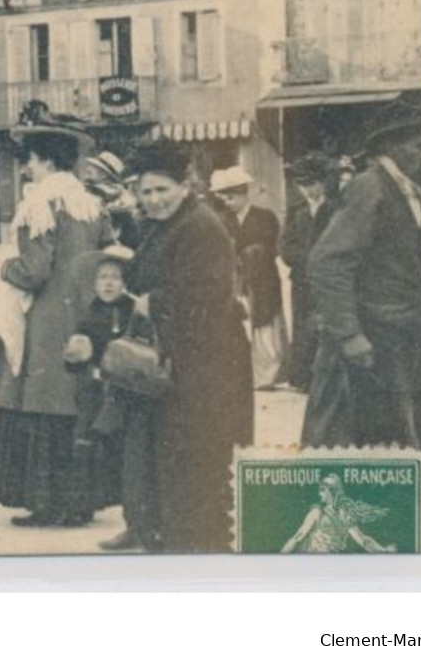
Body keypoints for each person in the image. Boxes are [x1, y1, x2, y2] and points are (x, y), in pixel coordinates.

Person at [113, 141, 253, 554]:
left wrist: (152, 302)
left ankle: (194, 553)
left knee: (196, 463)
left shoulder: (201, 226)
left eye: (162, 190)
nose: (153, 199)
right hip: (180, 361)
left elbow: (209, 297)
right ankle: (172, 541)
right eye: (146, 191)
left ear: (184, 186)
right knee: (172, 462)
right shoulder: (168, 223)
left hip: (206, 366)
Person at [0, 110, 111, 529]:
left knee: (41, 406)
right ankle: (82, 500)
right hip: (86, 316)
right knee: (79, 404)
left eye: (31, 160)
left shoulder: (39, 203)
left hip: (47, 322)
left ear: (48, 161)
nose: (27, 168)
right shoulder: (91, 205)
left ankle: (48, 502)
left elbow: (35, 271)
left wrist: (5, 269)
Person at [301, 94, 421, 453]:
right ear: (393, 145)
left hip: (400, 334)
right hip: (374, 340)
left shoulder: (409, 189)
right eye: (419, 146)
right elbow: (327, 261)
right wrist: (349, 334)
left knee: (400, 441)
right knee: (373, 444)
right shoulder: (371, 186)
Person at [62, 246, 136, 521]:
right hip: (94, 390)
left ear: (125, 282)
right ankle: (85, 503)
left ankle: (131, 504)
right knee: (87, 442)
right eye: (102, 277)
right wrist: (76, 354)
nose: (108, 283)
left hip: (124, 389)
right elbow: (79, 347)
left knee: (123, 446)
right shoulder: (92, 311)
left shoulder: (132, 310)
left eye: (115, 278)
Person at [210, 166, 289, 391]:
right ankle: (240, 373)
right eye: (225, 197)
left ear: (244, 194)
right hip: (235, 280)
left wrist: (250, 254)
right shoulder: (221, 220)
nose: (229, 201)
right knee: (239, 323)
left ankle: (265, 376)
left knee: (264, 326)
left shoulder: (265, 216)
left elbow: (271, 246)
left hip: (262, 277)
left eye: (233, 196)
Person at [279, 151, 335, 394]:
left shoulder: (336, 208)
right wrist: (302, 259)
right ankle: (303, 379)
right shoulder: (297, 211)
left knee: (325, 324)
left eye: (313, 184)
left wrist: (318, 259)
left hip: (327, 278)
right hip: (301, 278)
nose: (309, 191)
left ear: (323, 182)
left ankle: (325, 378)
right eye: (303, 186)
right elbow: (285, 246)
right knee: (302, 325)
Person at [279, 473, 396, 553]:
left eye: (322, 490)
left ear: (332, 491)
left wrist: (382, 550)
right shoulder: (317, 513)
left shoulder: (344, 515)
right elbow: (297, 537)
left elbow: (363, 540)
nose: (320, 494)